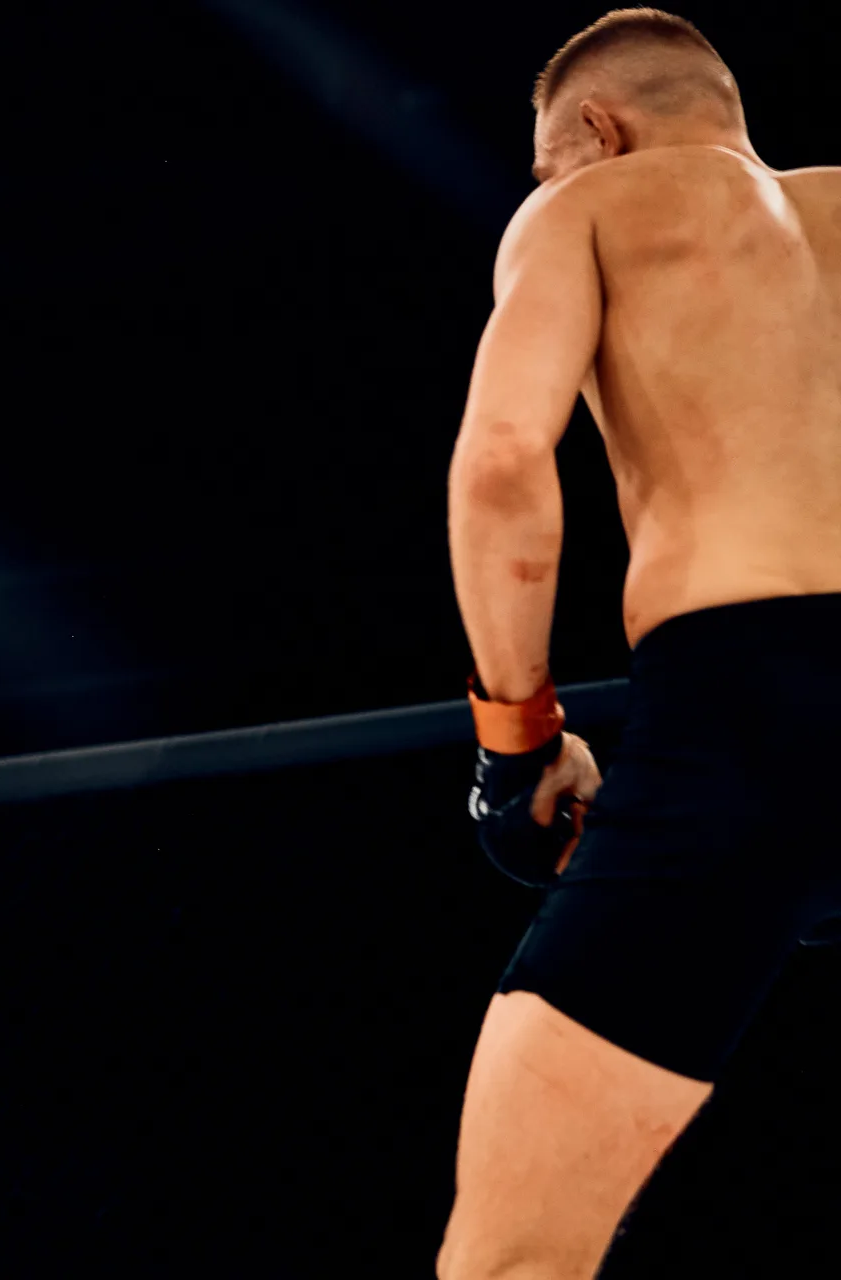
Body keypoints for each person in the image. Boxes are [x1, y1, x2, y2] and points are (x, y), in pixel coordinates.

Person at [439, 10, 841, 1278]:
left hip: (751, 708)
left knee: (514, 1256)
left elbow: (503, 465)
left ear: (596, 129)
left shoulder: (589, 204)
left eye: (548, 159)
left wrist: (517, 739)